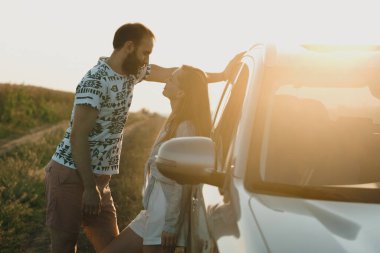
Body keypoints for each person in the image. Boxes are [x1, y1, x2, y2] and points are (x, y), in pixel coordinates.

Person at [44, 22, 240, 253]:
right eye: (145, 52)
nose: (147, 60)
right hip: (71, 174)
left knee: (112, 247)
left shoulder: (132, 73)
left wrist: (224, 75)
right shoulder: (96, 82)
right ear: (129, 47)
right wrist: (88, 188)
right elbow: (78, 138)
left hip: (97, 181)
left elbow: (178, 75)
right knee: (65, 244)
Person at [101, 65, 210, 253]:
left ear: (181, 93)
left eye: (172, 79)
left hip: (164, 215)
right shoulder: (174, 120)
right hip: (152, 211)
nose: (167, 80)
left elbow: (181, 183)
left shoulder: (186, 127)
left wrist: (171, 225)